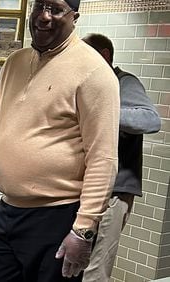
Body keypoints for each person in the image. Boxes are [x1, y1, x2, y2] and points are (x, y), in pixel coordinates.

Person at [0, 0, 120, 280]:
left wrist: (83, 229)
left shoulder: (94, 71)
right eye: (39, 6)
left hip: (58, 218)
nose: (44, 16)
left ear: (75, 17)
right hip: (8, 210)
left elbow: (103, 158)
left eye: (56, 9)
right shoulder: (15, 62)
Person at [81, 33, 161, 281]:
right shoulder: (88, 84)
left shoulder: (124, 82)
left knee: (95, 269)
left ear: (104, 55)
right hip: (86, 189)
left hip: (113, 193)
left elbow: (150, 120)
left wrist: (101, 111)